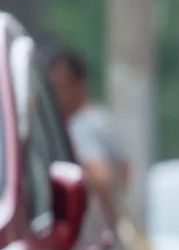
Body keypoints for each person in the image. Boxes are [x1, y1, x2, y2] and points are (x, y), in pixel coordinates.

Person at [47, 49, 129, 223]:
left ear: (79, 86)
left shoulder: (82, 126)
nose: (54, 97)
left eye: (59, 87)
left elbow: (99, 178)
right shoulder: (102, 120)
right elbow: (125, 169)